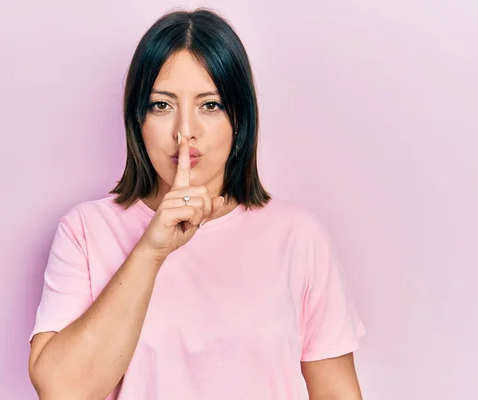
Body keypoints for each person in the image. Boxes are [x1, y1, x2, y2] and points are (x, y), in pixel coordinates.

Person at [28, 8, 366, 400]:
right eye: (161, 105)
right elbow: (62, 391)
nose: (185, 132)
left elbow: (337, 392)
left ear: (239, 119)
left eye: (210, 105)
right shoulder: (85, 230)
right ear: (137, 119)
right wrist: (151, 251)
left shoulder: (298, 235)